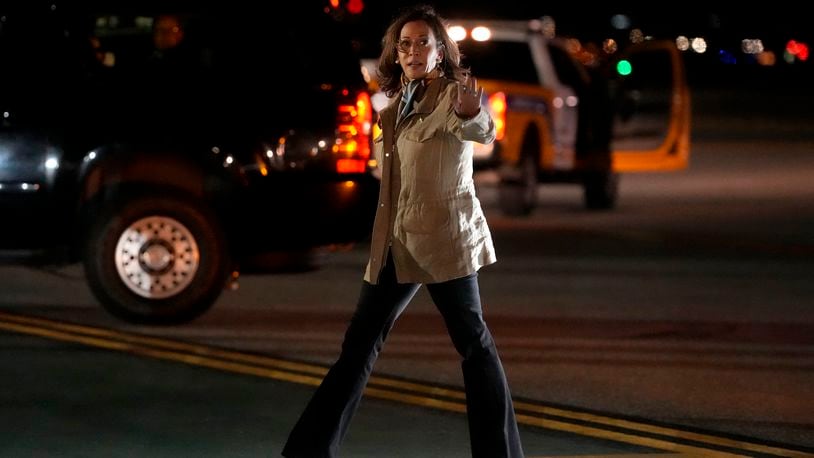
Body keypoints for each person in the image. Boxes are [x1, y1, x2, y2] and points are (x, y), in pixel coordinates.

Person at [281, 4, 525, 458]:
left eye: (423, 43)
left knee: (474, 344)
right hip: (396, 242)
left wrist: (475, 115)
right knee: (358, 346)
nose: (413, 50)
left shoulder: (453, 94)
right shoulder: (395, 106)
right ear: (396, 51)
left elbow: (478, 127)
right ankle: (309, 450)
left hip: (443, 238)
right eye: (405, 43)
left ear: (440, 51)